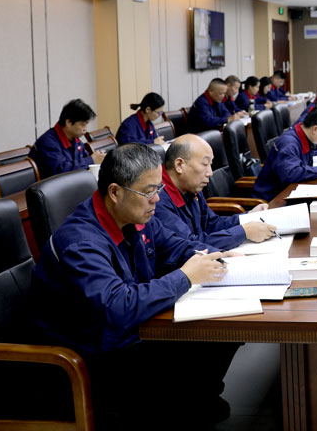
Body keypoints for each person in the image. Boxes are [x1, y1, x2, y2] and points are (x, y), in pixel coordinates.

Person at [31, 144, 238, 427]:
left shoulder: (136, 215)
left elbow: (175, 246)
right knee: (211, 337)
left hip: (132, 330)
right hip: (95, 352)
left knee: (225, 329)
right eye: (149, 191)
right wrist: (186, 276)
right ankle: (184, 405)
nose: (157, 199)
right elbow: (118, 307)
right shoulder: (81, 242)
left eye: (159, 188)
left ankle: (197, 399)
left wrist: (213, 256)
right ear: (115, 192)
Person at [154, 134, 275, 250]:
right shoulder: (157, 200)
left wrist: (248, 216)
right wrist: (244, 232)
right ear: (179, 165)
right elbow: (191, 245)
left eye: (210, 165)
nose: (210, 173)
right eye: (205, 164)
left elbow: (212, 224)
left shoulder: (191, 186)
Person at [252, 104, 317, 200]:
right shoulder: (288, 144)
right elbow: (290, 174)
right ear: (315, 129)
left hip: (289, 192)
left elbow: (303, 157)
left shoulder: (302, 136)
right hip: (272, 200)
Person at [29, 98, 106, 178]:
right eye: (83, 125)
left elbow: (84, 158)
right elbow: (60, 170)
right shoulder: (48, 142)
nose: (85, 129)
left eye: (87, 124)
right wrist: (91, 160)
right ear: (68, 122)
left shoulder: (76, 140)